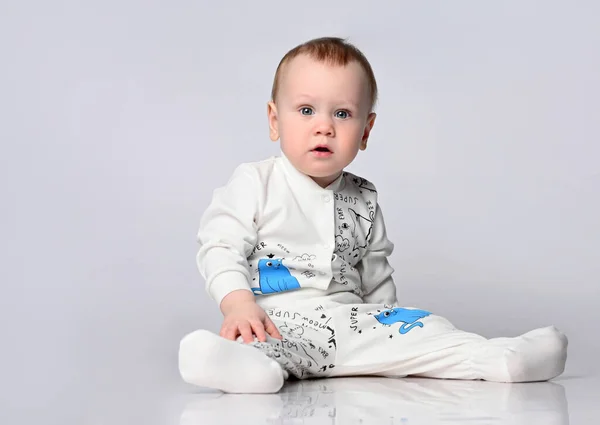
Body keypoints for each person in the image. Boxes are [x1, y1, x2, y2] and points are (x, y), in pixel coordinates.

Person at [178, 37, 568, 394]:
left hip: (355, 323)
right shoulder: (255, 182)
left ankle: (499, 358)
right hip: (279, 319)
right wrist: (238, 304)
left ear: (366, 130)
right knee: (263, 346)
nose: (324, 127)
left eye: (343, 114)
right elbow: (220, 245)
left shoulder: (363, 197)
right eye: (306, 110)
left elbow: (376, 271)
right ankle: (241, 368)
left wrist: (389, 323)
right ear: (275, 119)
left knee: (424, 328)